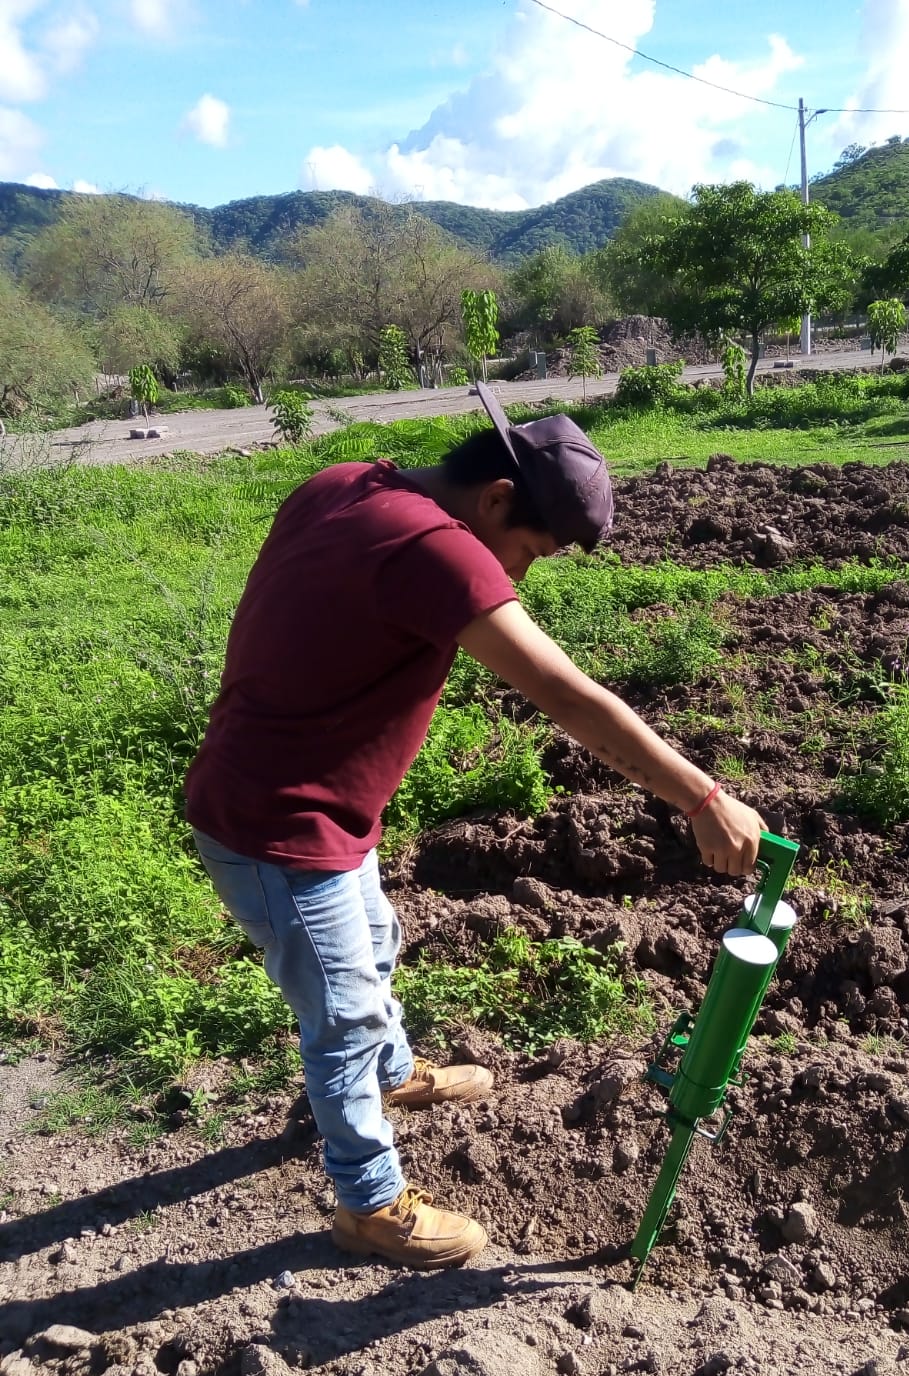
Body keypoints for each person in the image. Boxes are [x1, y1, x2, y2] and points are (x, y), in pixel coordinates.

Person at [185, 383, 764, 1271]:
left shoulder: (348, 482)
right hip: (278, 823)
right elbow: (567, 693)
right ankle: (368, 1204)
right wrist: (700, 797)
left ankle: (394, 1074)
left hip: (322, 804)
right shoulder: (438, 552)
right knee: (338, 1015)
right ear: (495, 498)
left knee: (374, 942)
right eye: (530, 550)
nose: (521, 576)